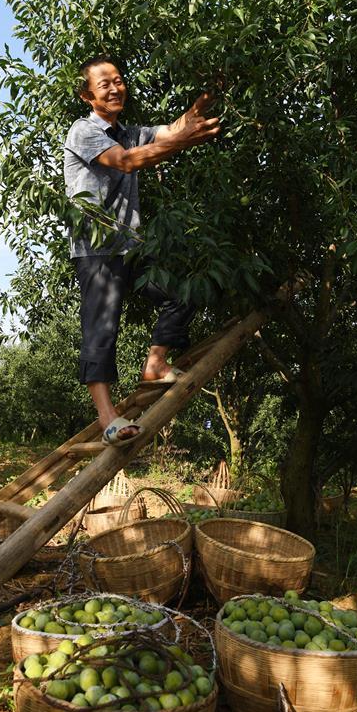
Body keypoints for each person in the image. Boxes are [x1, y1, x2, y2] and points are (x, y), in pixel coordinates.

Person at [63, 55, 220, 446]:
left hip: (131, 246)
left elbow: (171, 130)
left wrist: (207, 96)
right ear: (88, 96)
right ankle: (108, 417)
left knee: (184, 290)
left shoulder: (129, 131)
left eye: (119, 81)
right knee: (101, 328)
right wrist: (183, 141)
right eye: (104, 84)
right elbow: (127, 162)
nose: (115, 88)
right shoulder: (83, 132)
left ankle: (155, 362)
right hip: (96, 247)